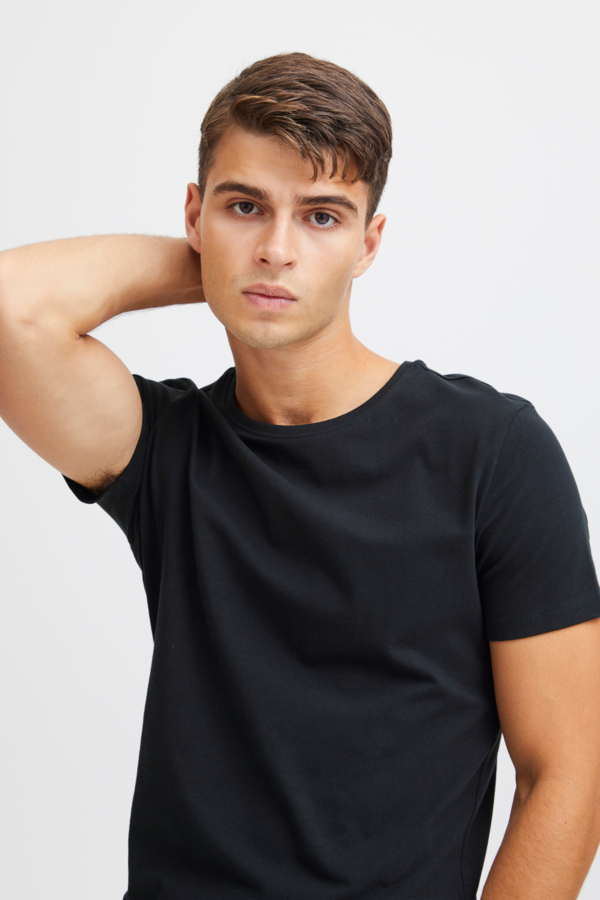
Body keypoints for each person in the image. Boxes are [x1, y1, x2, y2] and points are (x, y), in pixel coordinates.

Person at [0, 51, 599, 900]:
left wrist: (241, 255)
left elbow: (568, 772)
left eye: (322, 217)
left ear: (368, 243)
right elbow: (11, 309)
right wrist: (220, 265)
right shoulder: (164, 448)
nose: (277, 248)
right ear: (195, 215)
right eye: (246, 207)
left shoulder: (492, 451)